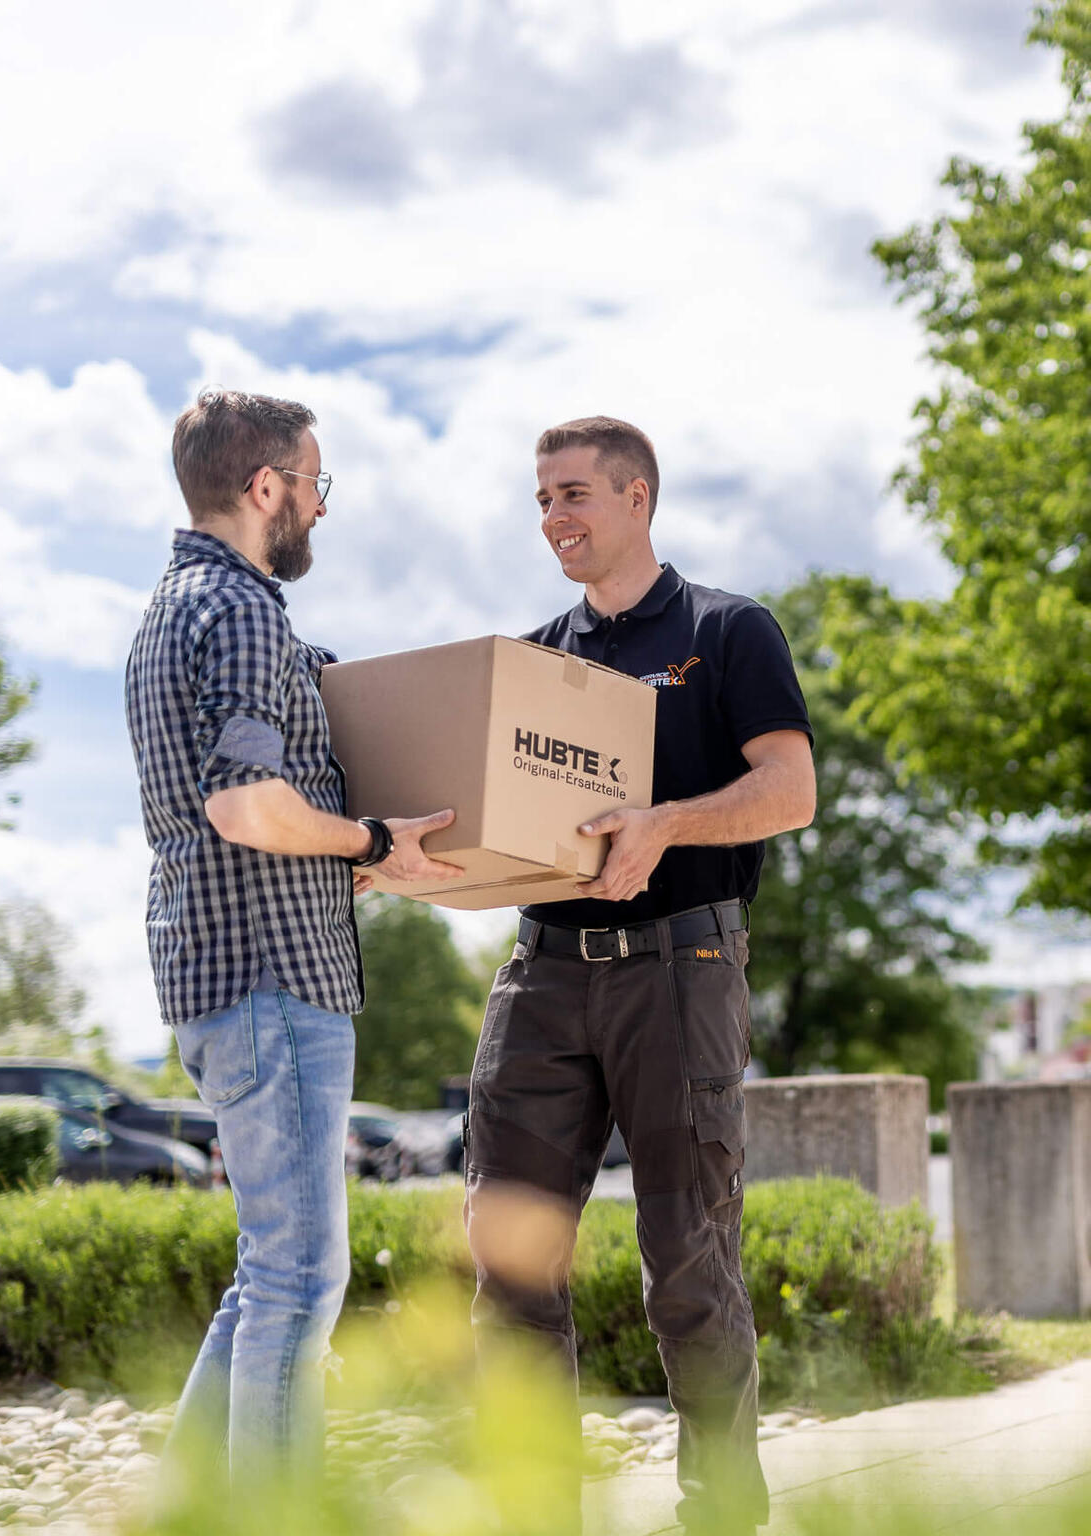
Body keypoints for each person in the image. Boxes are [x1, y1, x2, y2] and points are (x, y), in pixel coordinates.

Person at [464, 416, 816, 1532]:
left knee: (688, 1259)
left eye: (572, 494)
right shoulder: (534, 663)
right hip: (542, 974)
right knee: (506, 1256)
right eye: (540, 500)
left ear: (635, 499)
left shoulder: (725, 631)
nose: (553, 519)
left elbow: (791, 791)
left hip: (680, 966)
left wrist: (666, 825)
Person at [125, 389, 454, 1483]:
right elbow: (244, 805)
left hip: (215, 972)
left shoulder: (167, 610)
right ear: (266, 487)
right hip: (273, 981)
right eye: (316, 484)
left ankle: (186, 1505)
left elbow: (237, 819)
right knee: (302, 1281)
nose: (320, 507)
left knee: (267, 1273)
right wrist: (369, 841)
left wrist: (348, 858)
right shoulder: (245, 609)